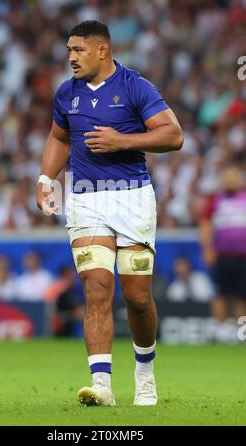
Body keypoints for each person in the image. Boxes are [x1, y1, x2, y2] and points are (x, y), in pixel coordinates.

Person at [37, 20, 183, 406]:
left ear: (103, 50)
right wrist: (45, 178)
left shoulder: (136, 86)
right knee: (97, 290)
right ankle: (101, 385)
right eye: (69, 50)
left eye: (78, 50)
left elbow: (173, 135)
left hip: (132, 196)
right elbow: (58, 137)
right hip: (86, 198)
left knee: (136, 298)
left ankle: (145, 372)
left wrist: (122, 141)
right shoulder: (67, 94)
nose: (71, 57)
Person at [200, 164, 246, 343]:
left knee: (243, 295)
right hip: (222, 255)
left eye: (234, 177)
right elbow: (205, 225)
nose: (231, 180)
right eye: (228, 177)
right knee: (220, 294)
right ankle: (220, 330)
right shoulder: (215, 200)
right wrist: (207, 248)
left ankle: (240, 331)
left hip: (243, 256)